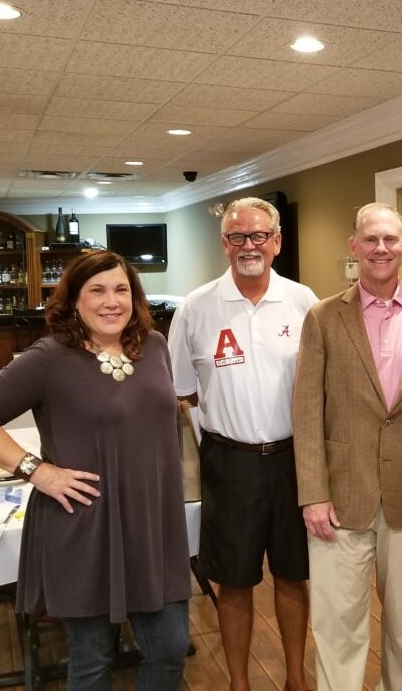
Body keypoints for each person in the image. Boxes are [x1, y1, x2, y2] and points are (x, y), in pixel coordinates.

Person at [0, 250, 190, 690]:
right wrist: (38, 471)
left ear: (134, 297)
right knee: (93, 659)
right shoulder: (50, 356)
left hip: (154, 524)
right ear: (74, 300)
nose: (110, 301)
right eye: (96, 290)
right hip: (85, 525)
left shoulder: (154, 345)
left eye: (121, 289)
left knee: (170, 649)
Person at [292, 201, 402, 691]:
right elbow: (306, 411)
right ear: (354, 247)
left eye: (391, 239)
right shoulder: (323, 317)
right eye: (371, 239)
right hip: (340, 496)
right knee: (338, 622)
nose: (381, 248)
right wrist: (313, 493)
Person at [168, 197, 317, 691]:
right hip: (228, 464)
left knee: (294, 576)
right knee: (233, 582)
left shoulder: (303, 302)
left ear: (276, 241)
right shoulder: (195, 308)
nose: (247, 246)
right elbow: (182, 391)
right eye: (237, 237)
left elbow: (320, 386)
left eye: (258, 236)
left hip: (294, 461)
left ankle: (296, 678)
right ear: (223, 243)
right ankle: (239, 683)